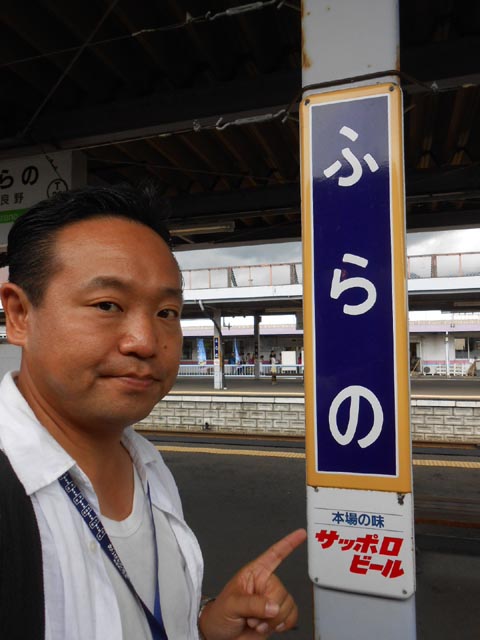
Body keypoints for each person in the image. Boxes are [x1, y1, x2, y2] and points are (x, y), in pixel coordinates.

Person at [0, 184, 306, 640]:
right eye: (107, 305)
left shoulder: (149, 468)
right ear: (19, 315)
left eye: (166, 312)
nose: (144, 342)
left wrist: (202, 626)